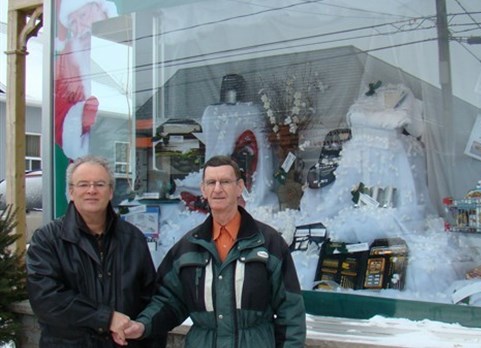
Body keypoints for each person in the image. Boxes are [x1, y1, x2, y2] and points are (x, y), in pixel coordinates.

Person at [118, 155, 306, 347]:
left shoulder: (268, 243)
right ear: (203, 190)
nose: (217, 189)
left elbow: (290, 311)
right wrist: (143, 325)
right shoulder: (188, 248)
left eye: (225, 182)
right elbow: (168, 301)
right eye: (211, 182)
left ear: (239, 187)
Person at [26, 155, 166, 347]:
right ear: (71, 192)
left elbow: (150, 298)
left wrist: (141, 327)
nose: (91, 191)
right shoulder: (47, 240)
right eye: (83, 184)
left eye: (99, 184)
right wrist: (106, 318)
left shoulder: (133, 239)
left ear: (110, 192)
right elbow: (46, 300)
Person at [54, 0, 117, 159]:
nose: (80, 28)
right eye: (73, 23)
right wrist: (81, 118)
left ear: (101, 9)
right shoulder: (67, 58)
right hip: (87, 163)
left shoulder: (131, 38)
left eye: (82, 15)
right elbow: (57, 117)